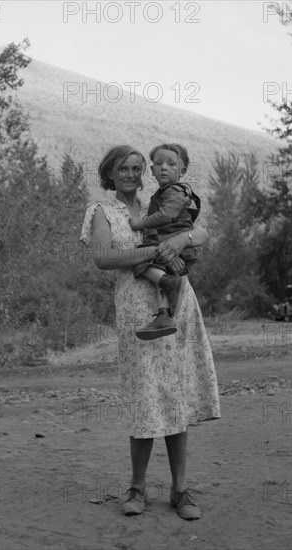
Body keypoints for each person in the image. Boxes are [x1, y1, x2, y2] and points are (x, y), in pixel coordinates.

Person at [80, 145, 221, 520]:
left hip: (177, 304)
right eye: (123, 168)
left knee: (176, 392)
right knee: (144, 395)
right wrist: (155, 251)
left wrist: (183, 240)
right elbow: (105, 258)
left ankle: (180, 490)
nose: (131, 174)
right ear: (109, 174)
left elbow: (202, 231)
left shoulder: (160, 202)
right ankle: (138, 488)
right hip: (135, 313)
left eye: (136, 168)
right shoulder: (102, 211)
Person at [128, 143, 201, 341]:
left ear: (183, 170)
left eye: (171, 164)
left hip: (174, 243)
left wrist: (140, 224)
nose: (164, 167)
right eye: (158, 164)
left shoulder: (176, 191)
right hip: (174, 247)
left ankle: (168, 283)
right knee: (163, 277)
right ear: (151, 170)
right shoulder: (167, 193)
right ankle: (164, 315)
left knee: (139, 258)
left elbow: (167, 216)